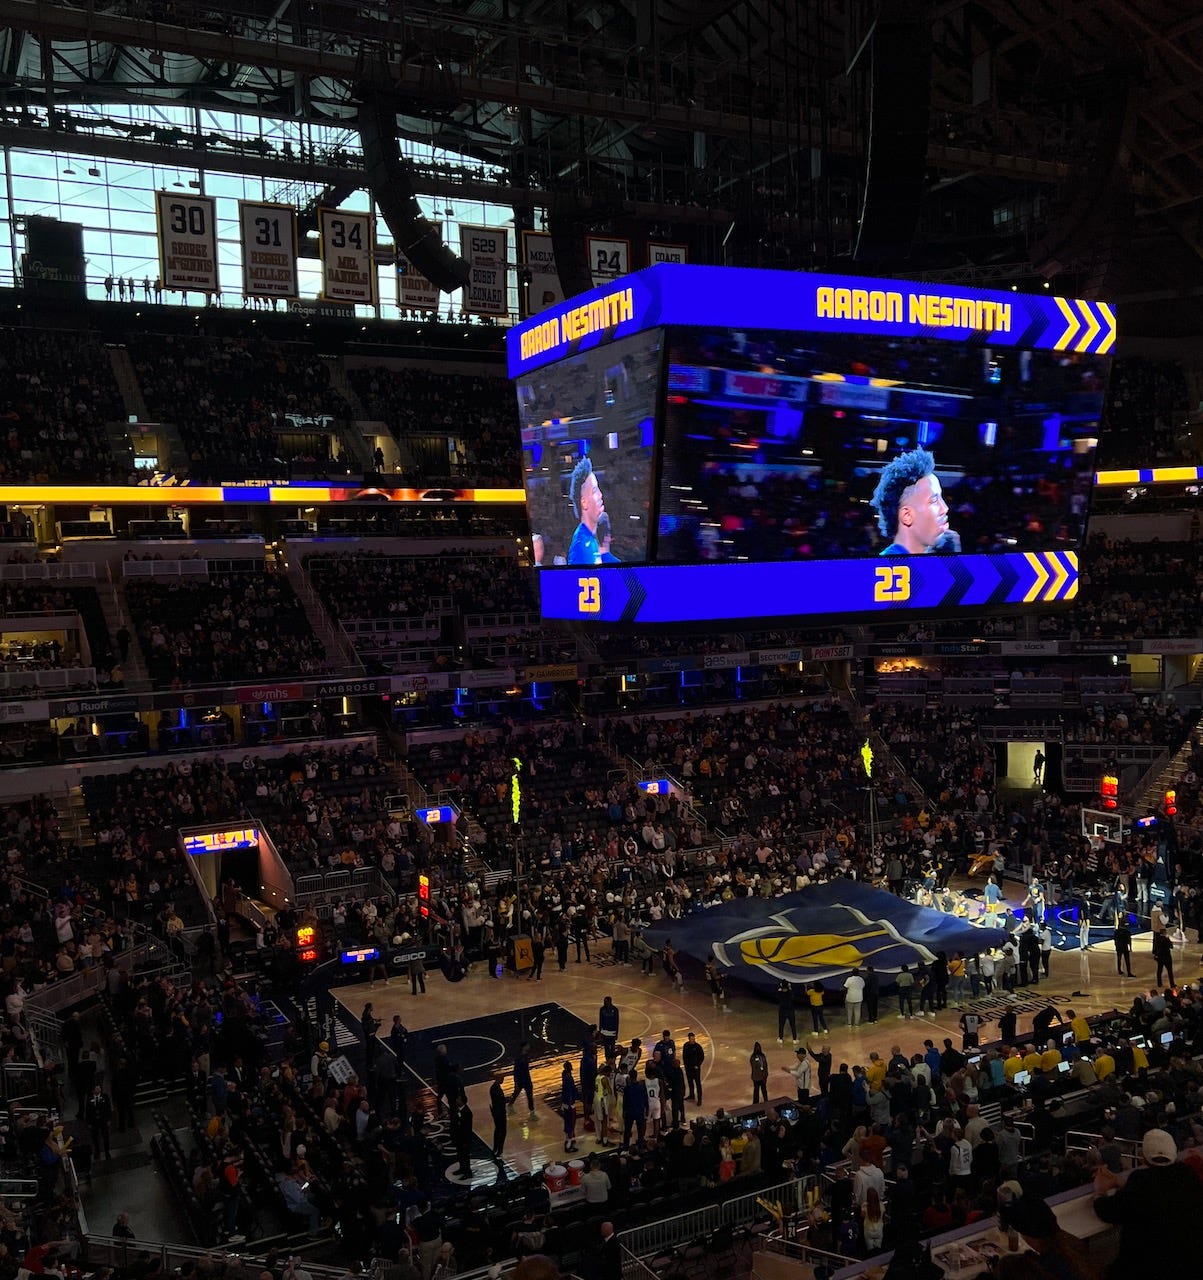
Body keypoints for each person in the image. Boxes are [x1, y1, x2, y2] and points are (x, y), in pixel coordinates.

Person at [1091, 1128, 1203, 1274]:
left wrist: (1099, 1191)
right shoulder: (1187, 1174)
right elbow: (1159, 1192)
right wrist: (1122, 1184)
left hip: (1151, 1266)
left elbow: (1108, 1212)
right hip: (1192, 1262)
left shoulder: (1140, 1181)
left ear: (1143, 1157)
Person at [870, 447, 958, 555]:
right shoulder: (885, 565)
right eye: (934, 500)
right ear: (907, 516)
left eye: (941, 497)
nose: (944, 508)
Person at [567, 456, 604, 565]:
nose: (600, 495)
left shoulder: (590, 538)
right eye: (594, 491)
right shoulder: (581, 545)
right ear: (584, 502)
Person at [560, 1062, 579, 1153]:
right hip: (569, 1105)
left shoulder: (564, 1077)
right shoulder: (569, 1079)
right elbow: (570, 1092)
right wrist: (571, 1103)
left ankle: (568, 1141)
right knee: (571, 1124)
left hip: (565, 1104)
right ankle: (568, 1146)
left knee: (568, 1124)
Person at [489, 1073, 507, 1161]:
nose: (503, 1079)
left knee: (499, 1130)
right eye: (502, 1078)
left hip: (498, 1112)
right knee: (501, 1131)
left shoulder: (495, 1087)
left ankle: (497, 1149)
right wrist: (508, 1098)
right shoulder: (494, 1089)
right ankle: (498, 1149)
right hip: (499, 1113)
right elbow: (501, 1100)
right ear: (498, 1078)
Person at [682, 1032, 704, 1104]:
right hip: (688, 1069)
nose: (693, 1040)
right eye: (691, 1039)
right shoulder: (686, 1046)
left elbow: (702, 1057)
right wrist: (686, 1066)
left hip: (695, 1069)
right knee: (690, 1083)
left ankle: (699, 1099)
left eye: (694, 1039)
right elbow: (684, 1057)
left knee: (698, 1084)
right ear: (689, 1039)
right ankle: (691, 1095)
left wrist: (698, 1065)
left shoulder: (698, 1047)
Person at [776, 979, 797, 1044]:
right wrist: (789, 987)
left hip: (782, 1011)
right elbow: (792, 996)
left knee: (781, 1025)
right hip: (790, 1010)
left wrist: (780, 987)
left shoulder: (780, 993)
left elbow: (777, 993)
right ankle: (794, 1039)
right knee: (793, 1025)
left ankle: (781, 1038)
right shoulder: (790, 993)